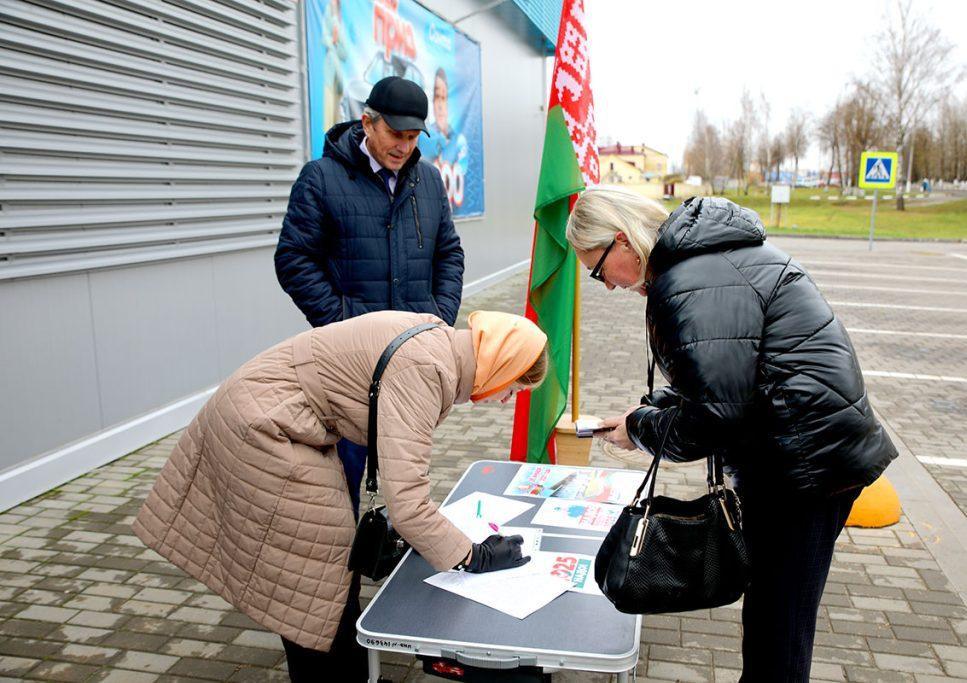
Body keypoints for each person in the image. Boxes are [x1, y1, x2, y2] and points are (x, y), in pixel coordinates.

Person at [564, 187, 898, 683]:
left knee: (777, 632)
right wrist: (647, 412)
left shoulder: (688, 280)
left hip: (806, 470)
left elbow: (715, 418)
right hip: (808, 457)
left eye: (598, 270)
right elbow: (726, 381)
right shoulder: (707, 259)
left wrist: (640, 429)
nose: (607, 286)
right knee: (772, 619)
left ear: (623, 241)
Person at [133, 310, 548, 681]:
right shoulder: (425, 369)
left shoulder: (438, 343)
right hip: (263, 428)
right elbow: (407, 505)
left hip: (277, 415)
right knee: (313, 565)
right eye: (511, 388)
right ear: (498, 366)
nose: (505, 401)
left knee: (324, 561)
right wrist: (474, 556)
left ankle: (348, 670)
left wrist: (442, 541)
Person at [276, 75, 466, 522]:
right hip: (349, 364)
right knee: (341, 485)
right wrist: (341, 321)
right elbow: (294, 259)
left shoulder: (429, 182)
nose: (404, 146)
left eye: (413, 136)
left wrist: (438, 319)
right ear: (367, 123)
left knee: (406, 475)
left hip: (413, 360)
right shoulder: (321, 180)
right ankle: (339, 587)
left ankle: (396, 556)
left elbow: (450, 254)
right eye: (395, 134)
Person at [422, 67, 469, 210]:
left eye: (444, 98)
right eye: (437, 97)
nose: (441, 105)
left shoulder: (459, 141)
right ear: (432, 102)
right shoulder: (422, 136)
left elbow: (461, 169)